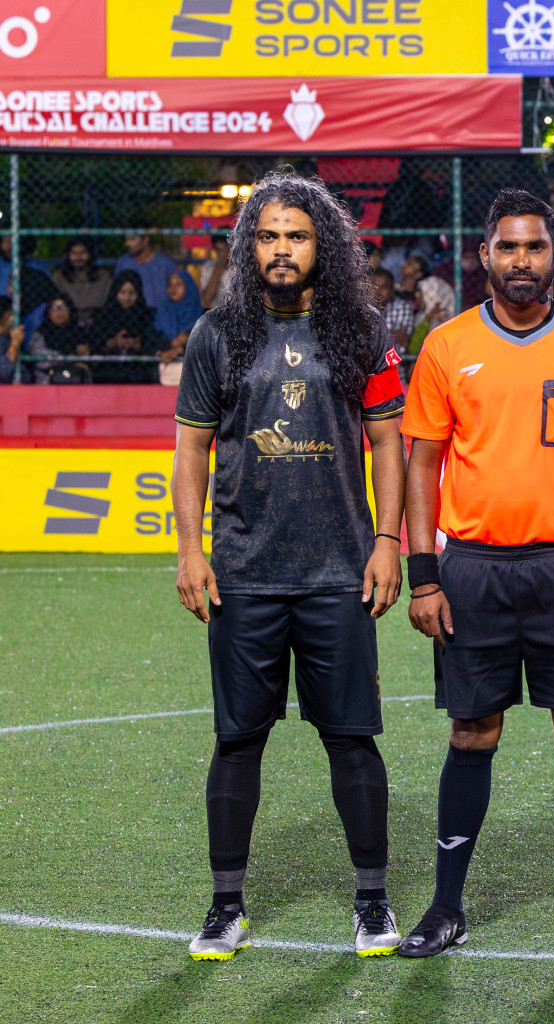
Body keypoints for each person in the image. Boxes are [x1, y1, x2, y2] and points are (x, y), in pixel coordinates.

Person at [397, 188, 554, 962]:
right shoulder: (446, 346)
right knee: (473, 730)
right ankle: (445, 908)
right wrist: (424, 574)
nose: (521, 262)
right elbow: (422, 463)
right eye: (507, 248)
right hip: (472, 569)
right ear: (484, 257)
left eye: (535, 248)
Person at [170, 169, 408, 962]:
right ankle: (225, 905)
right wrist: (191, 552)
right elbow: (192, 451)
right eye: (268, 235)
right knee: (238, 742)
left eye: (297, 236)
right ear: (249, 245)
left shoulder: (364, 334)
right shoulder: (217, 333)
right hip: (244, 575)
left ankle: (372, 902)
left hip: (340, 573)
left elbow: (387, 443)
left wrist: (386, 543)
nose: (281, 249)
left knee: (352, 740)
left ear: (323, 246)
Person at [90, 270, 165, 383]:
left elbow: (151, 341)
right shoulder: (103, 316)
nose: (127, 298)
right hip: (108, 367)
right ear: (115, 292)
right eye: (122, 292)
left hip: (138, 368)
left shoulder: (145, 315)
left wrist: (137, 346)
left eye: (132, 293)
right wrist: (113, 342)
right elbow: (94, 343)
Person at [156, 269, 204, 386]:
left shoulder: (202, 315)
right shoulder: (161, 313)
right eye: (170, 285)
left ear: (188, 286)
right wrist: (171, 347)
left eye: (178, 284)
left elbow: (206, 346)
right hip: (165, 366)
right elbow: (153, 340)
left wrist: (181, 348)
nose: (173, 288)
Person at [52, 237, 114, 324]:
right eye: (74, 253)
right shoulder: (59, 278)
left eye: (82, 252)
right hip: (68, 323)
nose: (78, 257)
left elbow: (109, 305)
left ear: (90, 254)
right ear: (68, 255)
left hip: (98, 322)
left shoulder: (104, 277)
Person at [115, 233, 180, 310]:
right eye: (126, 240)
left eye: (132, 239)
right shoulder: (124, 263)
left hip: (162, 313)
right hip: (134, 313)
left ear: (145, 240)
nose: (127, 243)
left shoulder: (165, 262)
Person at [371, 268, 415, 356]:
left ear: (392, 289)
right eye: (373, 287)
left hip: (394, 366)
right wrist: (389, 336)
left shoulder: (402, 307)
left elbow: (401, 347)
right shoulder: (360, 308)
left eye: (383, 287)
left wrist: (371, 339)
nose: (377, 292)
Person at [199, 235, 233, 308]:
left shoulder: (242, 268)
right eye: (218, 250)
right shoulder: (208, 267)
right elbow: (206, 299)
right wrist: (218, 267)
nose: (222, 253)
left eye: (225, 249)